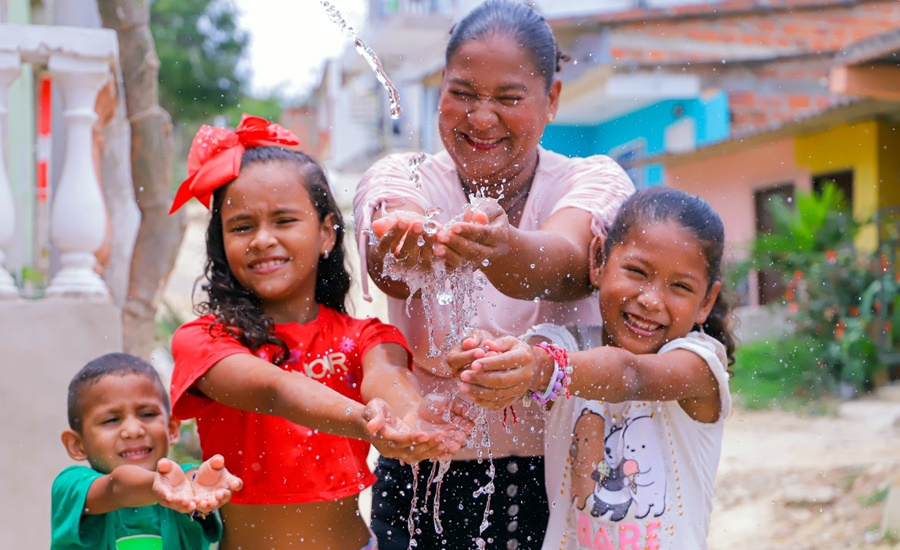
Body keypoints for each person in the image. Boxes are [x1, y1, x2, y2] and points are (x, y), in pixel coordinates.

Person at [353, 1, 635, 547]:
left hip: (565, 474)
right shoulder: (402, 175)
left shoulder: (593, 180)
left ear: (551, 99)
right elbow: (383, 261)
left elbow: (567, 266)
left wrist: (499, 248)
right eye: (462, 94)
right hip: (426, 476)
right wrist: (406, 248)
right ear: (439, 90)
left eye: (508, 98)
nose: (482, 117)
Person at [168, 115, 472, 549]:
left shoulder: (366, 336)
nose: (261, 239)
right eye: (241, 226)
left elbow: (387, 380)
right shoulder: (205, 340)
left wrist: (409, 417)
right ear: (222, 242)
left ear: (327, 233)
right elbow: (275, 390)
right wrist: (367, 423)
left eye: (284, 220)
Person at [450, 187, 737, 549]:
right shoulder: (566, 344)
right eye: (636, 271)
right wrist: (488, 357)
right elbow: (528, 356)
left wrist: (541, 367)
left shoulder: (699, 363)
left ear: (705, 302)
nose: (650, 300)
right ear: (600, 260)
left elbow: (630, 375)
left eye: (679, 286)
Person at [52, 352, 242, 549]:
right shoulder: (71, 488)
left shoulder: (181, 490)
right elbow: (117, 487)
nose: (134, 431)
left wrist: (199, 486)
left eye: (147, 414)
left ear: (171, 429)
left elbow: (191, 480)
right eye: (111, 420)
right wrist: (158, 485)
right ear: (77, 444)